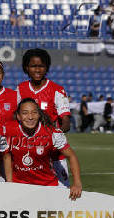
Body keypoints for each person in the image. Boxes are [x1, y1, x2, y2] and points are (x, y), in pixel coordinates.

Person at [1, 98, 82, 200]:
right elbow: (6, 155)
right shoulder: (7, 129)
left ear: (39, 114)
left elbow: (71, 156)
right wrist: (9, 182)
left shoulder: (52, 133)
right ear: (18, 116)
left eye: (34, 113)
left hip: (47, 186)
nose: (30, 117)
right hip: (20, 186)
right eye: (25, 113)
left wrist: (77, 183)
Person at [17, 48, 71, 186]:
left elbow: (66, 121)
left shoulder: (57, 90)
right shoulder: (20, 89)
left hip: (54, 154)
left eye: (41, 66)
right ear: (26, 68)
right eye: (33, 66)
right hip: (30, 153)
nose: (37, 70)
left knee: (63, 194)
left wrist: (56, 134)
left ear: (46, 67)